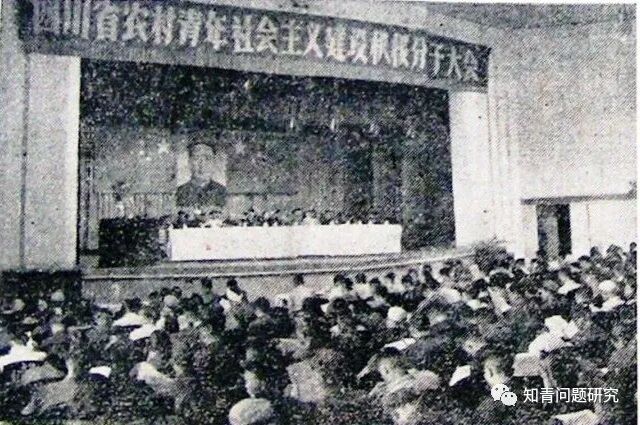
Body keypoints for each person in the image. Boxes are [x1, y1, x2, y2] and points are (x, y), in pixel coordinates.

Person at [176, 142, 227, 210]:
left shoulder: (223, 193)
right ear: (189, 162)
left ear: (214, 163)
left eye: (208, 158)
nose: (202, 164)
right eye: (196, 158)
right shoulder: (179, 193)